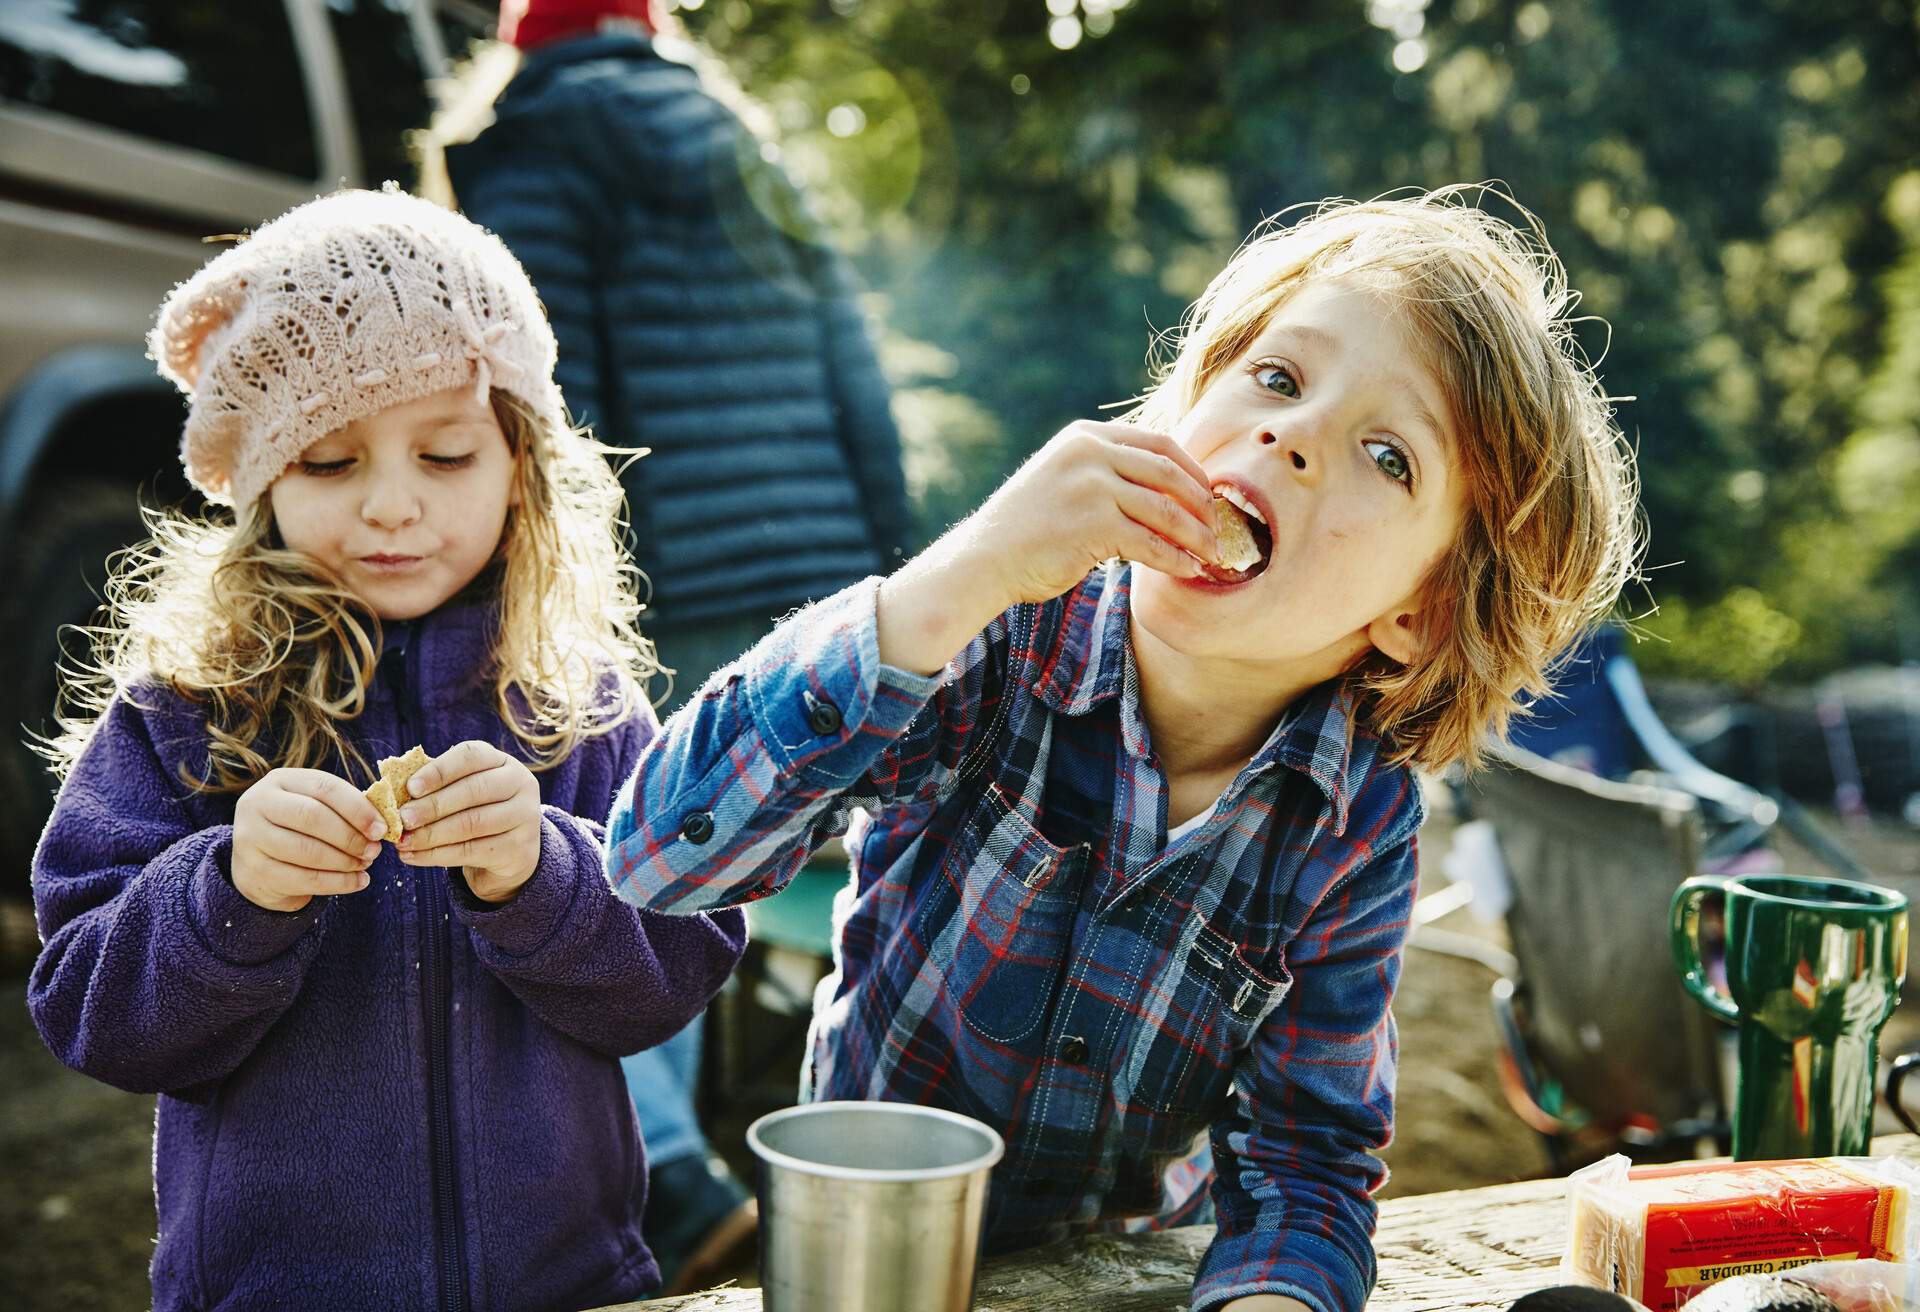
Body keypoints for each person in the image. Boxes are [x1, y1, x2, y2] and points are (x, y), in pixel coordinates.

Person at [601, 187, 1642, 1312]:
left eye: (1387, 454)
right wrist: (959, 575)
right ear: (1179, 406)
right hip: (880, 1265)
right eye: (1279, 379)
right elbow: (661, 860)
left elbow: (1304, 1166)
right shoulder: (989, 638)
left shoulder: (1357, 820)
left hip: (1128, 1283)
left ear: (1418, 616)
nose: (1289, 436)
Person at [25, 188, 747, 1311]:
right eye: (328, 463)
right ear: (260, 484)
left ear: (524, 463)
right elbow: (87, 1008)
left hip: (564, 1284)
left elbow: (673, 976)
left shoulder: (581, 703)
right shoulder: (190, 710)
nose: (394, 508)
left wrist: (540, 874)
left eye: (447, 454)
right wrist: (230, 890)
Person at [419, 0, 915, 1289]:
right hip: (821, 570)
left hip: (670, 575)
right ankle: (861, 1140)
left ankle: (679, 1183)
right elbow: (857, 371)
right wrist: (893, 572)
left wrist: (556, 586)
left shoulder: (535, 145)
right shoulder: (746, 142)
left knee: (642, 857)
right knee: (815, 861)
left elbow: (544, 394)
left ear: (520, 49)